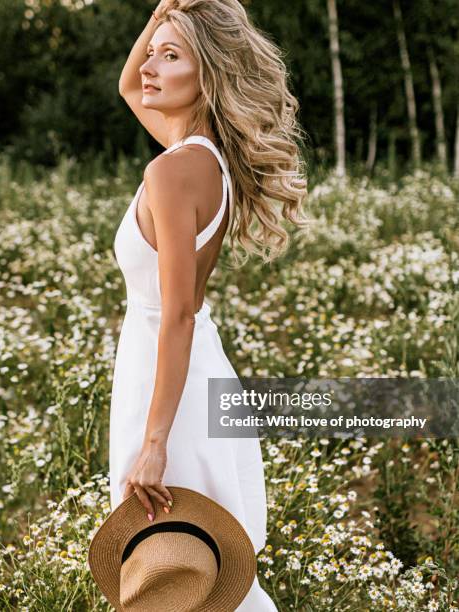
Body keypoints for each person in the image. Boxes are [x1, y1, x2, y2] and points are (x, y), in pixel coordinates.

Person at [110, 1, 310, 609]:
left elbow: (176, 314)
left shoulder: (173, 173)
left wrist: (154, 441)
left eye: (171, 57)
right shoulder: (204, 159)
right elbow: (126, 86)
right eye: (152, 52)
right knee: (196, 570)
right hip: (188, 371)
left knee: (180, 564)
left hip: (164, 377)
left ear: (209, 75)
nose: (148, 67)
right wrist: (161, 17)